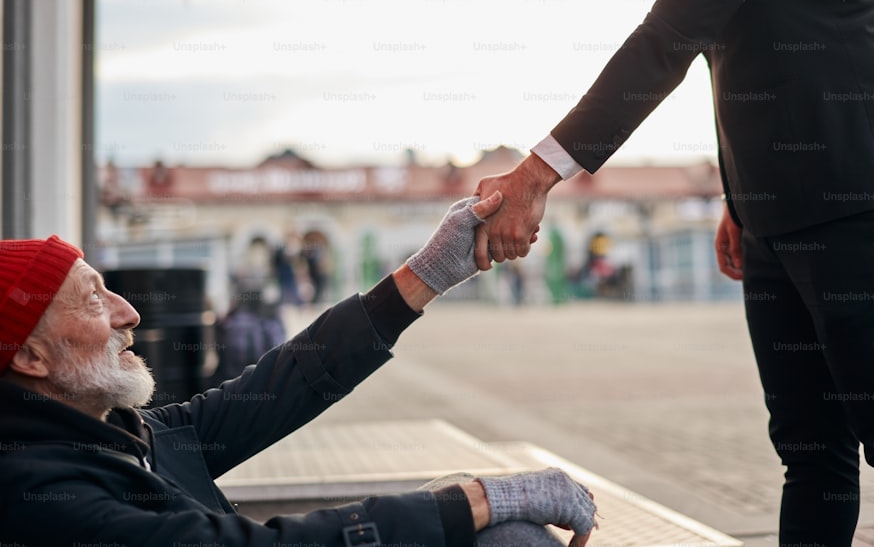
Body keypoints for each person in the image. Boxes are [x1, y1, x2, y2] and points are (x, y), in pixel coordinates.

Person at [472, 0, 874, 545]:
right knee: (811, 455)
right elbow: (727, 47)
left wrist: (538, 173)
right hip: (777, 215)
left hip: (866, 199)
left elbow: (671, 36)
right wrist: (740, 198)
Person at [0, 194, 597, 547]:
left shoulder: (119, 436)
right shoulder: (39, 494)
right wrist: (469, 503)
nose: (129, 314)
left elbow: (279, 386)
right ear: (30, 356)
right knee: (496, 527)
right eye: (94, 301)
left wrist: (429, 273)